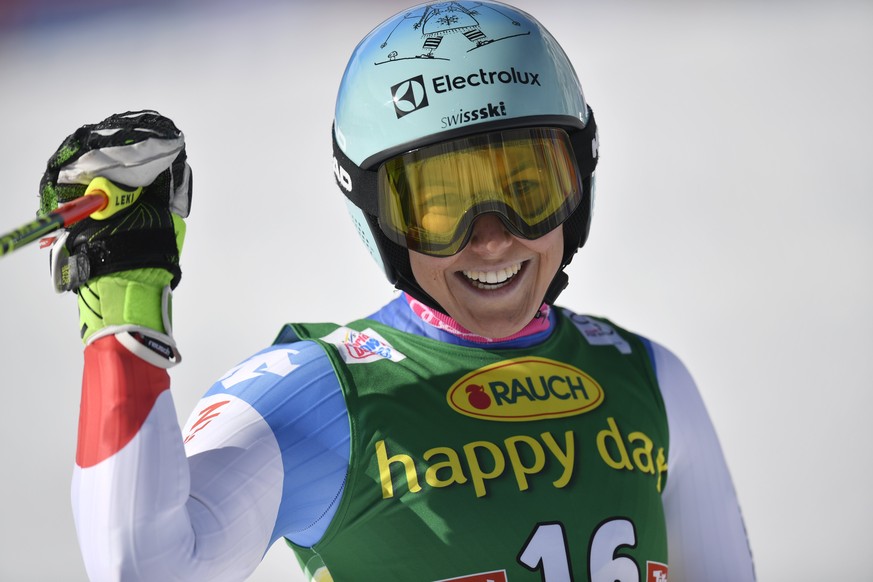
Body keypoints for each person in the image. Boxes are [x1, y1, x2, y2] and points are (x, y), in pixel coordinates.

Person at [40, 2, 755, 580]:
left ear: (580, 180)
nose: (492, 237)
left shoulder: (649, 377)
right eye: (441, 206)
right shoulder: (318, 396)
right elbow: (140, 567)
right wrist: (125, 289)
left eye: (528, 188)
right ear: (376, 215)